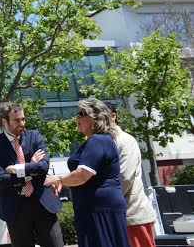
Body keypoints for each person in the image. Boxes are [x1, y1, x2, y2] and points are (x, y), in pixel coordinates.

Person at [44, 98, 130, 247]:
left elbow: (82, 174)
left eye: (81, 114)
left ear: (94, 118)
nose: (76, 117)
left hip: (98, 209)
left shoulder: (96, 141)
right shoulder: (102, 140)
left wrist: (58, 180)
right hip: (99, 206)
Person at [0, 102, 64, 247]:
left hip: (43, 204)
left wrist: (17, 169)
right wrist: (32, 168)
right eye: (17, 120)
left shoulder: (34, 137)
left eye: (23, 119)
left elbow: (43, 167)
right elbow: (1, 180)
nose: (22, 123)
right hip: (16, 210)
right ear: (4, 121)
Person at [105, 101, 157, 247]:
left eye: (101, 117)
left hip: (133, 214)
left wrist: (104, 202)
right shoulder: (102, 142)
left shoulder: (125, 140)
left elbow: (125, 177)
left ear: (113, 116)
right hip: (115, 216)